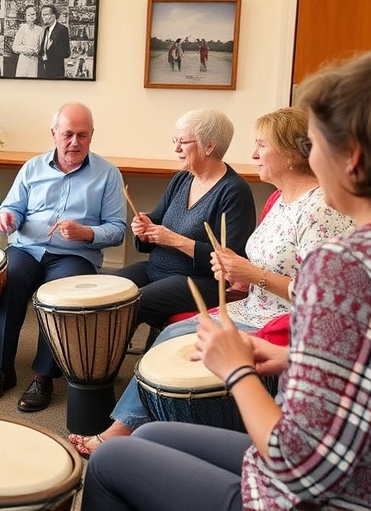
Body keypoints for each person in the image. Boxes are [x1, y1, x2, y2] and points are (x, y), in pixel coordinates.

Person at [81, 49, 371, 510]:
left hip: (305, 496)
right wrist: (292, 355)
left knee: (112, 463)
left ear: (353, 156)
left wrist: (237, 369)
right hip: (354, 475)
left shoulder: (346, 264)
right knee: (149, 433)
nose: (311, 155)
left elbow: (299, 464)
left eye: (316, 141)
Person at [70, 107, 353, 458]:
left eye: (261, 145)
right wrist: (239, 273)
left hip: (277, 318)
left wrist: (249, 274)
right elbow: (253, 261)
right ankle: (131, 420)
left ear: (292, 154)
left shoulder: (320, 210)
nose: (252, 154)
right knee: (117, 300)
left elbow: (319, 296)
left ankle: (123, 429)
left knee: (174, 333)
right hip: (249, 301)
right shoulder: (278, 199)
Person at [0, 102, 126, 412]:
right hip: (26, 249)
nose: (75, 142)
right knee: (9, 281)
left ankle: (43, 377)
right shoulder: (32, 168)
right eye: (68, 134)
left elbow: (118, 230)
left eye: (82, 135)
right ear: (54, 134)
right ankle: (2, 369)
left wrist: (86, 233)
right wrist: (5, 217)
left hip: (74, 255)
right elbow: (11, 209)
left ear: (92, 136)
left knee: (58, 295)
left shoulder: (108, 174)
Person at [112, 109, 257, 331]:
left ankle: (108, 364)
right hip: (156, 268)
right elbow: (157, 220)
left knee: (129, 304)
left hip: (200, 280)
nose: (176, 149)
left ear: (209, 146)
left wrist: (174, 239)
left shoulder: (234, 191)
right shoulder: (182, 179)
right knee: (106, 292)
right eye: (176, 141)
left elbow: (230, 260)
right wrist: (144, 227)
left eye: (183, 142)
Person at [38, 4, 70, 79]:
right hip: (44, 69)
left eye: (47, 14)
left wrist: (50, 51)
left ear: (54, 15)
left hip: (56, 70)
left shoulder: (62, 29)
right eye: (43, 15)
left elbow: (66, 53)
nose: (45, 17)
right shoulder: (46, 29)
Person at [12, 5, 43, 78]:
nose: (31, 16)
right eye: (28, 14)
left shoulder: (40, 30)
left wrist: (35, 51)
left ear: (36, 15)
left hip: (34, 59)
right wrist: (26, 51)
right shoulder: (23, 28)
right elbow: (15, 46)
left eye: (33, 14)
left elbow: (42, 46)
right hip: (23, 59)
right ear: (25, 16)